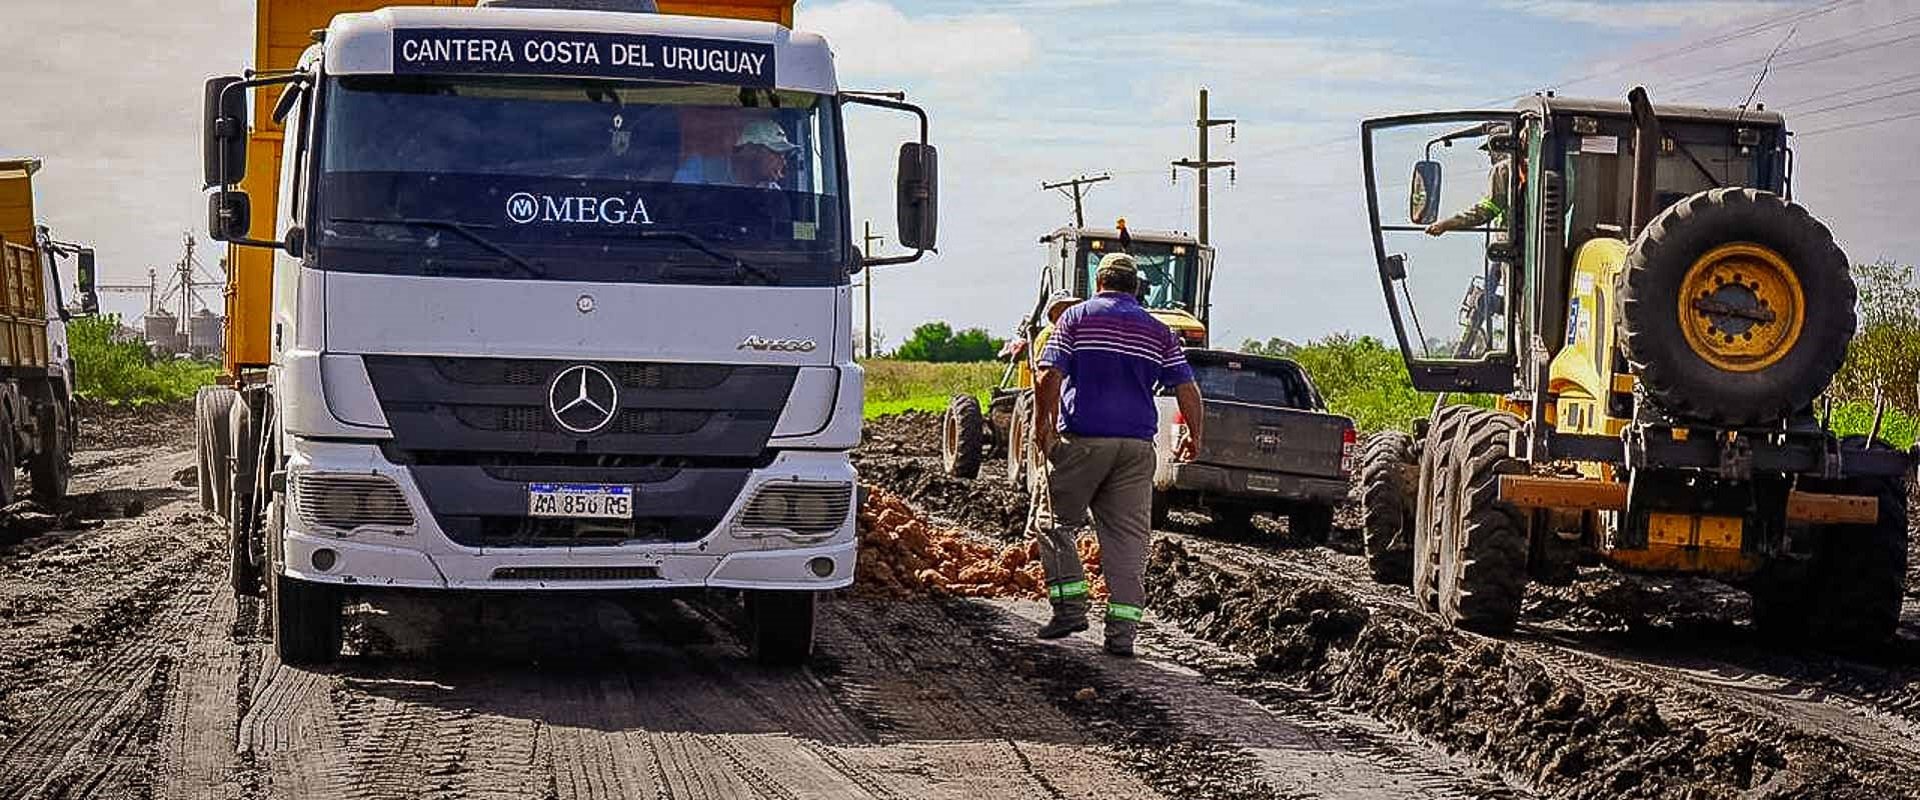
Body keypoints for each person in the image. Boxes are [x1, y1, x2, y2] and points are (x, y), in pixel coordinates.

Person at [1030, 253, 1205, 657]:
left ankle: (1071, 606)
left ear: (1099, 283)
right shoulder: (1160, 332)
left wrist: (1043, 425)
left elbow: (1047, 374)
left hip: (1085, 441)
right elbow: (1187, 390)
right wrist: (1196, 436)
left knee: (1052, 522)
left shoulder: (1076, 319)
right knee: (1128, 542)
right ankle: (1123, 634)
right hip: (1136, 449)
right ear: (1137, 288)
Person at [1424, 125, 1522, 237]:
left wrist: (1447, 224)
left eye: (1491, 149)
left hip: (1513, 243)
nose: (1489, 154)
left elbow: (1488, 209)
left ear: (1500, 145)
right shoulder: (1528, 165)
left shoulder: (1503, 168)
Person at [673, 119, 797, 188]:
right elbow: (675, 210)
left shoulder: (774, 195)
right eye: (776, 153)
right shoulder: (700, 169)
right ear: (749, 149)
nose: (783, 162)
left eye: (784, 156)